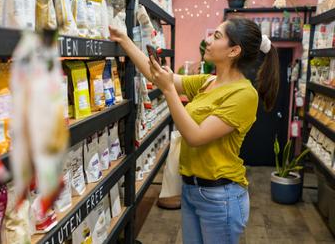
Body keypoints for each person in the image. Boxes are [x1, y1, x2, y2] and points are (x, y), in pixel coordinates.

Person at [109, 18, 279, 244]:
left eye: (217, 36)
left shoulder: (244, 94)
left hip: (221, 197)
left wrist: (169, 89)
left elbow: (195, 136)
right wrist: (123, 39)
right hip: (191, 190)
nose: (208, 40)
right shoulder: (208, 81)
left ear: (234, 50)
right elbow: (156, 77)